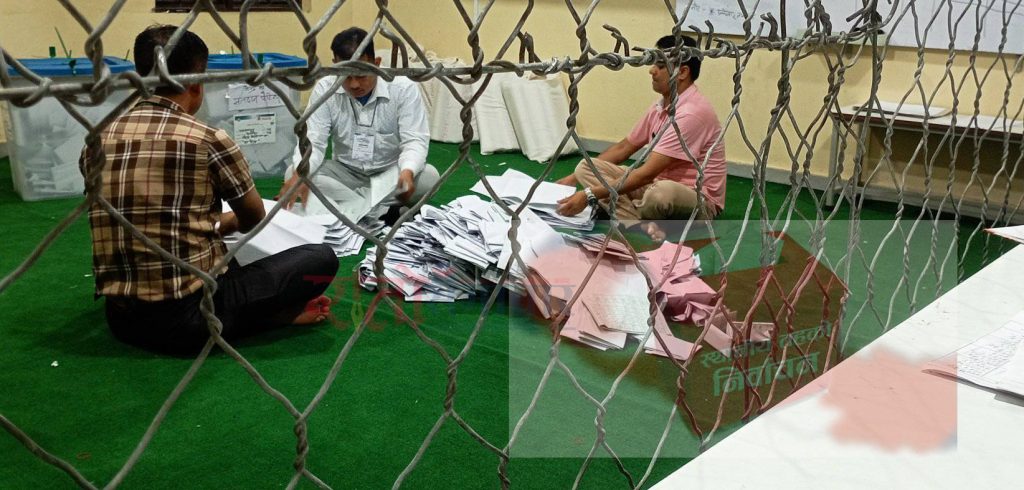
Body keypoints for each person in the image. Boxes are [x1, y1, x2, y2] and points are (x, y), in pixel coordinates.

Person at [81, 25, 339, 356]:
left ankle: (260, 316)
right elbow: (252, 218)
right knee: (320, 257)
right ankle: (270, 317)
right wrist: (221, 223)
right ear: (197, 81)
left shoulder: (96, 140)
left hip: (121, 318)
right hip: (191, 318)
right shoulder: (208, 139)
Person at [555, 34, 726, 241]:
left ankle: (625, 213)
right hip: (655, 183)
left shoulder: (691, 113)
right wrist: (573, 178)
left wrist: (589, 194)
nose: (651, 70)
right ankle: (640, 224)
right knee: (586, 166)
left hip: (697, 200)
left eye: (660, 66)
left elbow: (646, 174)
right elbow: (624, 148)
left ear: (682, 72)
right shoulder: (661, 106)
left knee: (659, 195)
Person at [278, 26, 438, 224]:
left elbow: (415, 140)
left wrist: (406, 172)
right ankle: (379, 210)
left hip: (389, 174)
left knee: (428, 178)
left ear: (376, 64)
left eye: (362, 75)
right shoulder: (325, 88)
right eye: (346, 76)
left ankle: (350, 208)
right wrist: (300, 174)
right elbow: (314, 140)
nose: (354, 84)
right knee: (293, 172)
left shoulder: (403, 88)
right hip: (345, 174)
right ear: (335, 66)